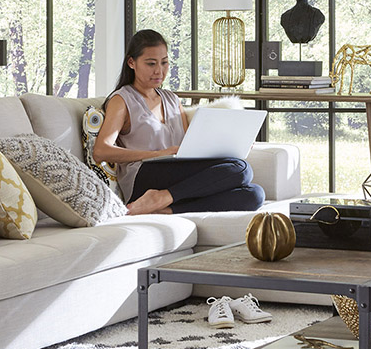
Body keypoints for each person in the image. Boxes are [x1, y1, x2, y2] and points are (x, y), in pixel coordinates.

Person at [93, 29, 265, 215]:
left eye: (164, 62)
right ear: (131, 63)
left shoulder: (171, 99)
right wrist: (157, 154)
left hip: (174, 173)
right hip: (143, 175)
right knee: (242, 169)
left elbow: (188, 146)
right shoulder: (122, 100)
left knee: (254, 194)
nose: (159, 70)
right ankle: (161, 197)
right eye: (151, 64)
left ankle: (166, 207)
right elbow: (101, 151)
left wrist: (235, 144)